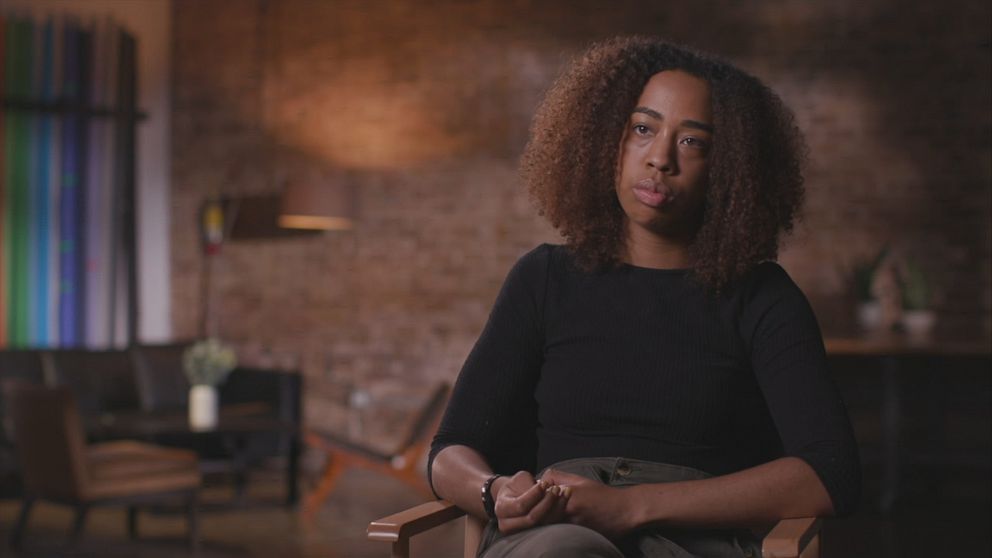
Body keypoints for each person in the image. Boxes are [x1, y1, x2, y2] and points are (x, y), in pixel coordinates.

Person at [429, 36, 861, 558]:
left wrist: (633, 505)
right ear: (604, 140)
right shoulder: (543, 278)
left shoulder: (764, 299)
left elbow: (830, 473)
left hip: (694, 542)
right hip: (554, 535)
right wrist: (494, 491)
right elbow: (447, 451)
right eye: (642, 129)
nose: (660, 159)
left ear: (729, 171)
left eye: (692, 142)